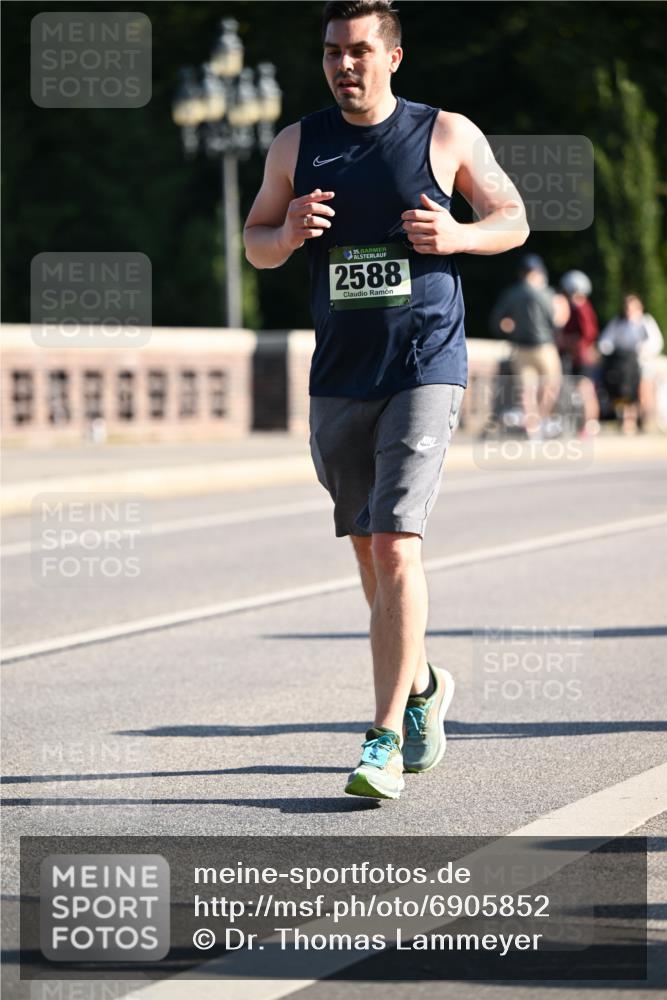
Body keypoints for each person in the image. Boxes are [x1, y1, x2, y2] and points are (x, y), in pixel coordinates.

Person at [243, 0, 529, 799]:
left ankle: (380, 741)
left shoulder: (445, 133)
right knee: (367, 546)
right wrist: (290, 230)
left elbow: (511, 217)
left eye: (360, 50)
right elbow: (256, 245)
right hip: (339, 373)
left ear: (392, 58)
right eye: (333, 51)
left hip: (422, 364)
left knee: (396, 540)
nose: (344, 65)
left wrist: (460, 236)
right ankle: (423, 683)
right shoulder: (297, 144)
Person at [490, 254, 568, 439]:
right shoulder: (547, 294)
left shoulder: (512, 293)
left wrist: (509, 328)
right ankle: (540, 421)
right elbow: (557, 321)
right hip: (544, 347)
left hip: (521, 348)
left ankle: (532, 428)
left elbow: (498, 322)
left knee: (527, 391)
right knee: (551, 385)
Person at [598, 293, 665, 433]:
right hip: (622, 366)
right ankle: (625, 419)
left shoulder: (646, 322)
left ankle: (645, 419)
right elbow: (605, 342)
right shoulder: (618, 323)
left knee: (643, 388)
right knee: (621, 391)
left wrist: (641, 350)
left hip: (642, 364)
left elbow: (656, 342)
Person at [557, 269, 600, 435]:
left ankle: (589, 424)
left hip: (582, 357)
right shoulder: (580, 306)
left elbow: (587, 334)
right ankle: (585, 424)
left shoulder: (581, 307)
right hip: (578, 356)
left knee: (585, 390)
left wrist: (567, 341)